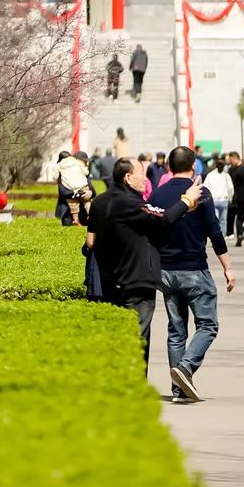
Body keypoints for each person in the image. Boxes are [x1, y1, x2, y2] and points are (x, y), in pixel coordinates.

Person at [86, 156, 203, 369]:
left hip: (109, 281)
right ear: (128, 177)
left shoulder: (99, 202)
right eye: (141, 173)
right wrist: (187, 200)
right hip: (136, 281)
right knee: (138, 340)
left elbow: (90, 241)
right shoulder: (130, 203)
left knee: (116, 337)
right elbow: (163, 219)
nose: (145, 179)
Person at [150, 144, 236, 402]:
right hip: (194, 270)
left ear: (168, 166)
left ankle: (179, 391)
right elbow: (215, 232)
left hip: (166, 271)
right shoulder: (201, 193)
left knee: (176, 330)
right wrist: (227, 268)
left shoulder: (157, 194)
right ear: (193, 165)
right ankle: (186, 368)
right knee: (208, 325)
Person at [55, 149, 93, 227]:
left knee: (85, 202)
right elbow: (63, 192)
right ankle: (78, 219)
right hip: (67, 211)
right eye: (84, 161)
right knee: (79, 203)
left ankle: (83, 217)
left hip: (81, 211)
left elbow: (92, 190)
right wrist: (78, 193)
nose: (86, 163)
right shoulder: (63, 175)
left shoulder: (82, 173)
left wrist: (90, 192)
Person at [203, 159, 234, 245]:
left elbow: (206, 187)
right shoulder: (226, 176)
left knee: (214, 221)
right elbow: (231, 188)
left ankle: (214, 238)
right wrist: (230, 198)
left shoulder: (210, 175)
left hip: (214, 200)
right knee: (223, 221)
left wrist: (207, 198)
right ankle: (222, 238)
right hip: (224, 200)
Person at [224, 152, 241, 236]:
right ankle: (230, 232)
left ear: (235, 158)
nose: (230, 162)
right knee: (230, 215)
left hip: (241, 195)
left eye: (231, 160)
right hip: (232, 196)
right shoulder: (231, 169)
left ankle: (241, 233)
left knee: (240, 216)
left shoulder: (242, 168)